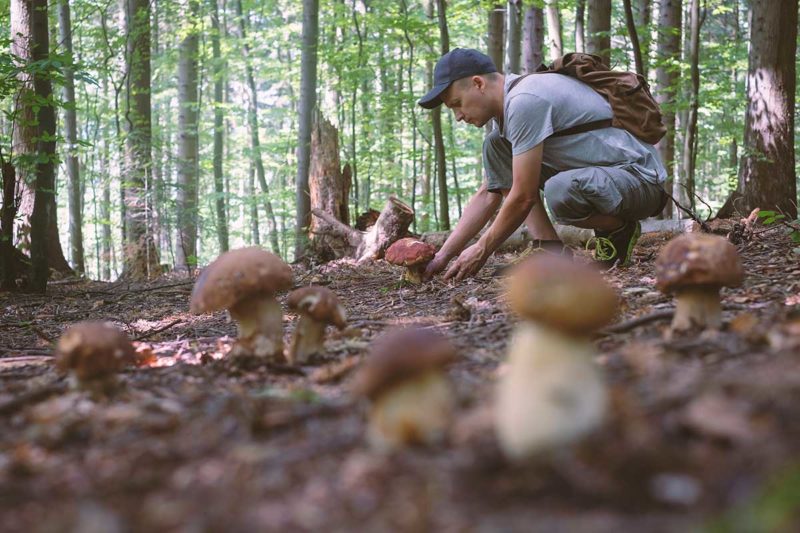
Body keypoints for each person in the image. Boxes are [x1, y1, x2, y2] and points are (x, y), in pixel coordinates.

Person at [418, 48, 667, 281]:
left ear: (478, 83)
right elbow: (488, 195)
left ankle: (618, 229)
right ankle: (550, 249)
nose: (458, 116)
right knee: (495, 145)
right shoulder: (512, 111)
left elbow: (523, 196)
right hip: (606, 180)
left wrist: (481, 249)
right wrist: (442, 257)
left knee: (560, 189)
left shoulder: (525, 101)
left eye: (456, 104)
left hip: (639, 181)